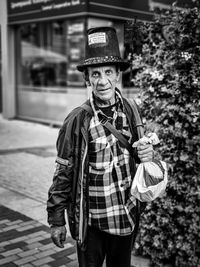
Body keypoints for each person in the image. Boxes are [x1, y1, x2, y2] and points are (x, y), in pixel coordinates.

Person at [47, 27, 154, 267]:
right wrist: (56, 220)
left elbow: (140, 154)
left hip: (126, 215)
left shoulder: (131, 110)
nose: (102, 80)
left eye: (108, 72)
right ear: (87, 78)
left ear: (118, 75)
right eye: (95, 74)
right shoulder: (77, 119)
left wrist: (146, 153)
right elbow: (63, 171)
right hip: (92, 221)